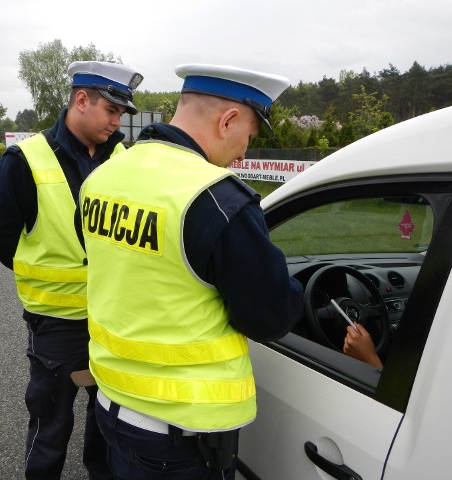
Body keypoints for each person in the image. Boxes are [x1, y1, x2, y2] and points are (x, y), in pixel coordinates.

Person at [78, 64, 305, 479]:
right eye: (248, 138)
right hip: (177, 435)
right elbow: (271, 315)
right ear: (228, 120)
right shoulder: (217, 196)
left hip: (111, 403)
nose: (243, 154)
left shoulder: (104, 177)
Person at [0, 60, 144, 480]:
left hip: (114, 320)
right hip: (56, 325)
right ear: (81, 100)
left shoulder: (124, 159)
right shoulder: (25, 160)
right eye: (111, 110)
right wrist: (39, 266)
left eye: (122, 114)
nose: (116, 122)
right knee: (50, 427)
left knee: (108, 424)